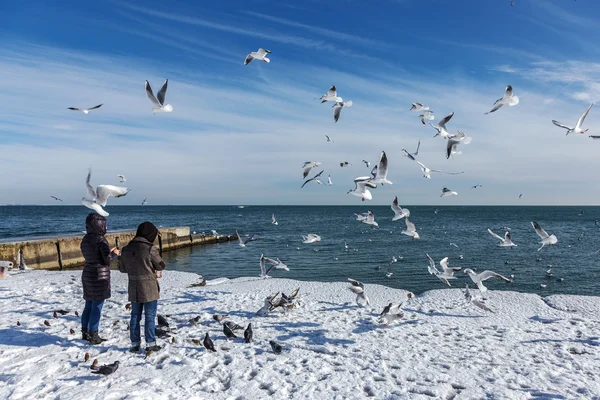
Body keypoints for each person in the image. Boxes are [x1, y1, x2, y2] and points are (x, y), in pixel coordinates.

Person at [119, 221, 166, 353]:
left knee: (135, 316)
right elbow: (161, 265)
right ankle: (150, 343)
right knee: (149, 316)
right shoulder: (150, 248)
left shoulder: (126, 249)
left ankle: (135, 344)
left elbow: (122, 269)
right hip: (149, 287)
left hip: (134, 286)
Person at [80, 213, 120, 345]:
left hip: (88, 274)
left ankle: (85, 333)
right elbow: (106, 260)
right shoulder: (101, 240)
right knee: (97, 306)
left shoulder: (85, 239)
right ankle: (94, 334)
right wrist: (114, 254)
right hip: (99, 276)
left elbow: (92, 256)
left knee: (88, 305)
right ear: (100, 225)